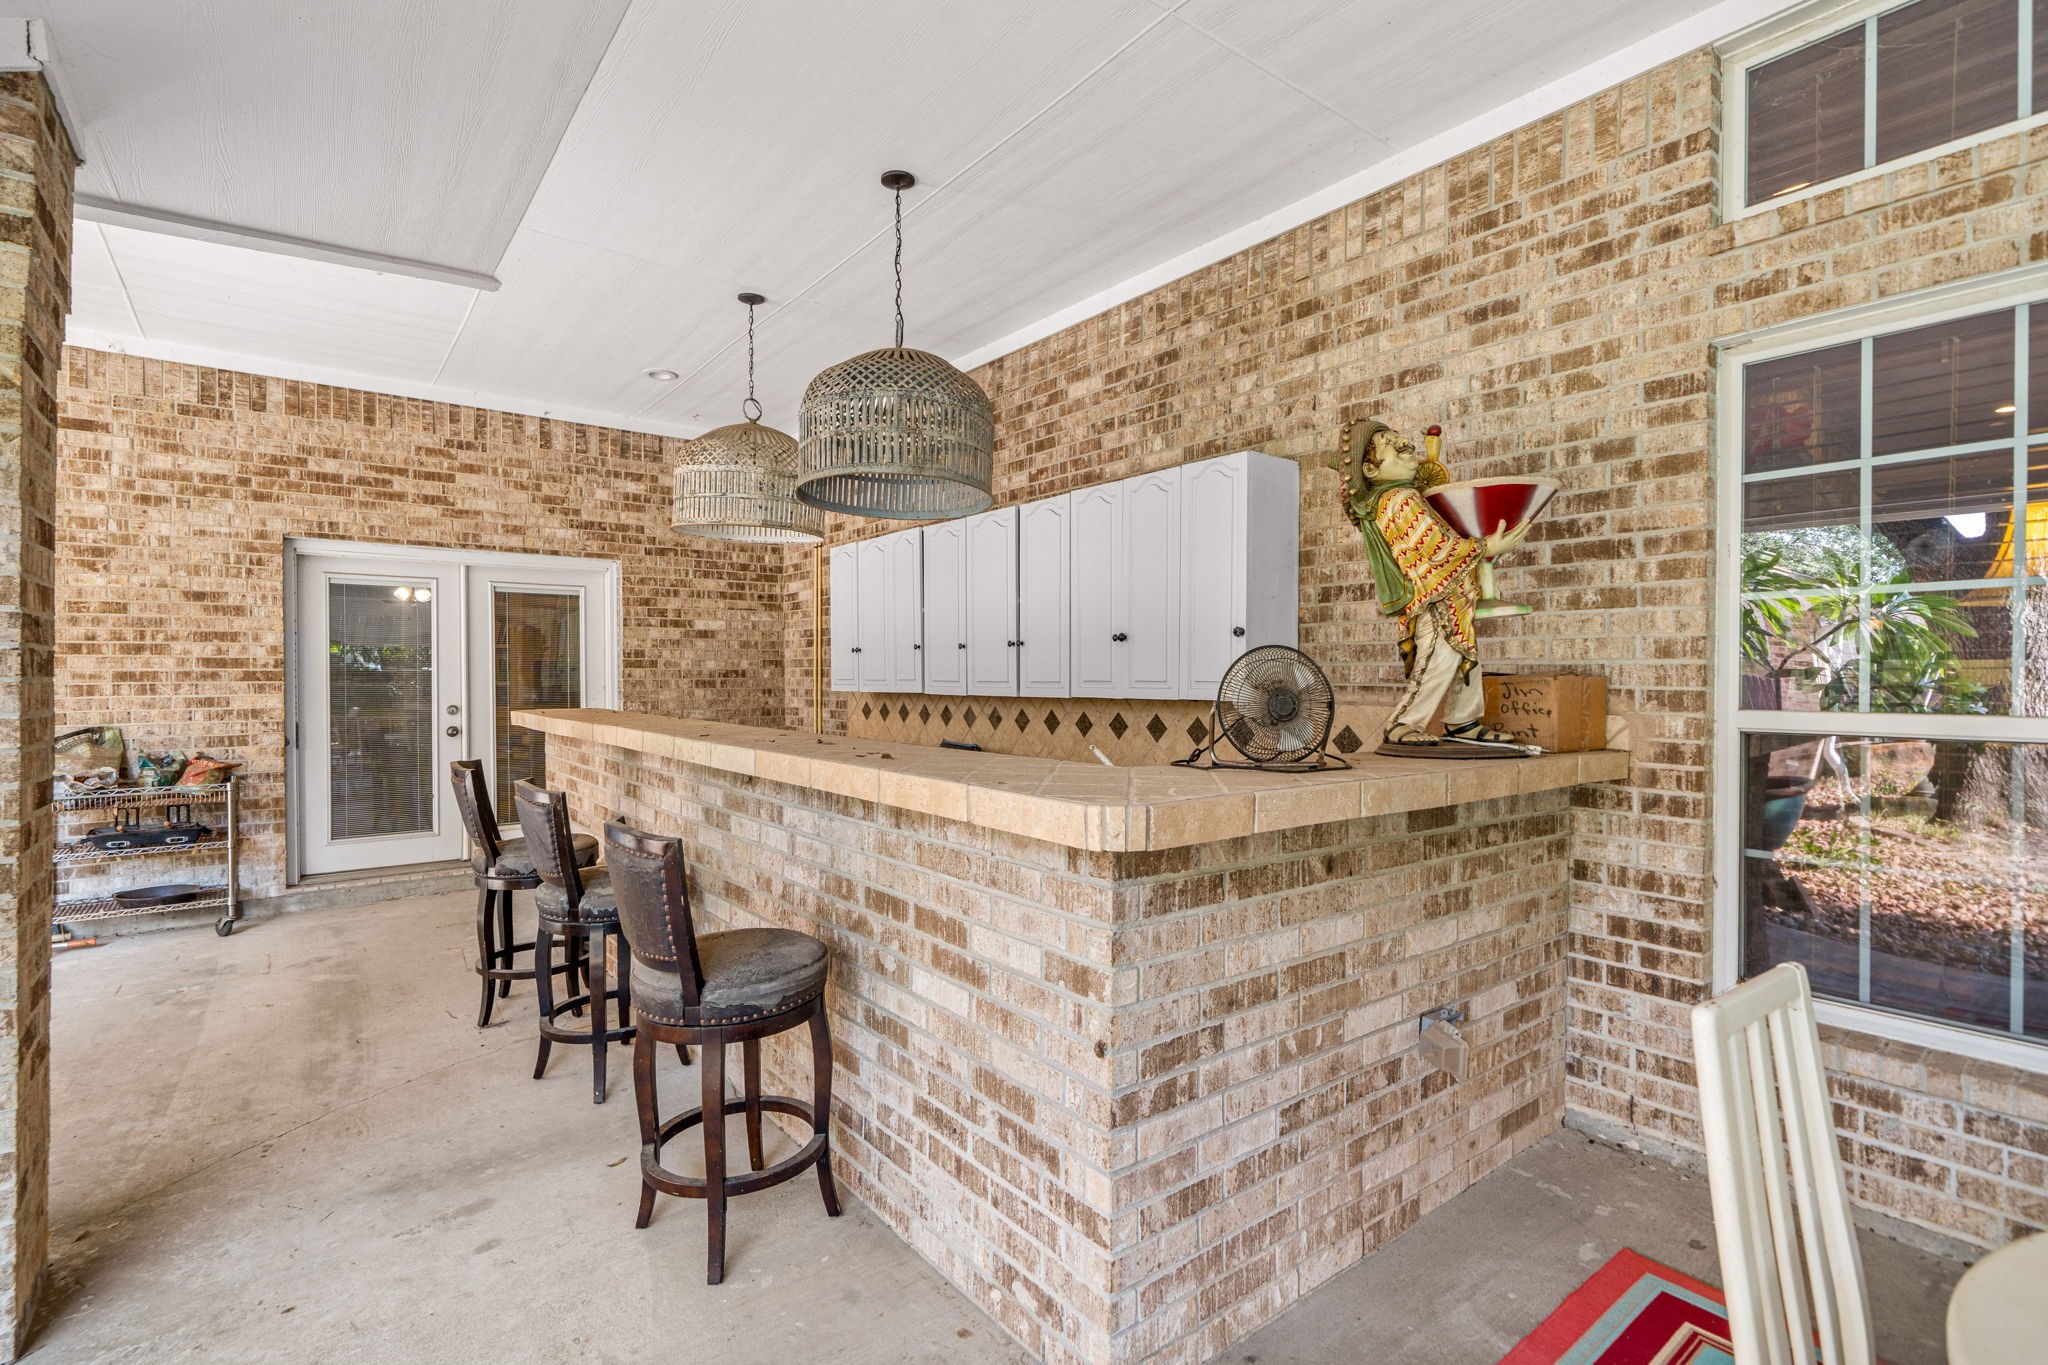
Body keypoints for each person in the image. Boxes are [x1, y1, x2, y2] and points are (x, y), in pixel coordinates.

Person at [1334, 419, 1527, 749]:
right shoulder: (1400, 499)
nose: (1404, 445)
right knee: (1440, 658)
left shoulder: (1400, 497)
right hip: (1435, 596)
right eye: (1391, 444)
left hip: (1448, 594)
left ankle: (1463, 720)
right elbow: (1435, 546)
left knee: (1463, 654)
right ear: (1369, 468)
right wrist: (1485, 547)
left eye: (1400, 438)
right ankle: (1402, 724)